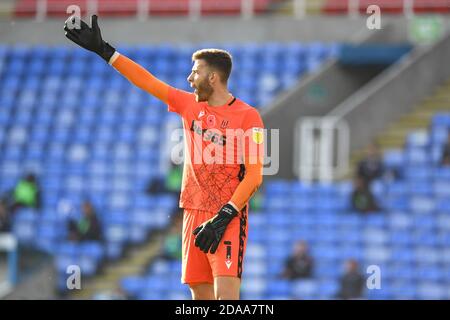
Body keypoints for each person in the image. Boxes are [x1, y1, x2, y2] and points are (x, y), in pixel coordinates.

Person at [64, 16, 264, 300]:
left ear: (213, 78)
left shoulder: (249, 117)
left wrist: (224, 216)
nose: (189, 78)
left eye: (195, 72)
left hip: (228, 216)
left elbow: (255, 175)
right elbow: (147, 81)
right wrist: (105, 51)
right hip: (193, 212)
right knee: (199, 294)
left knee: (227, 297)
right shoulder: (189, 105)